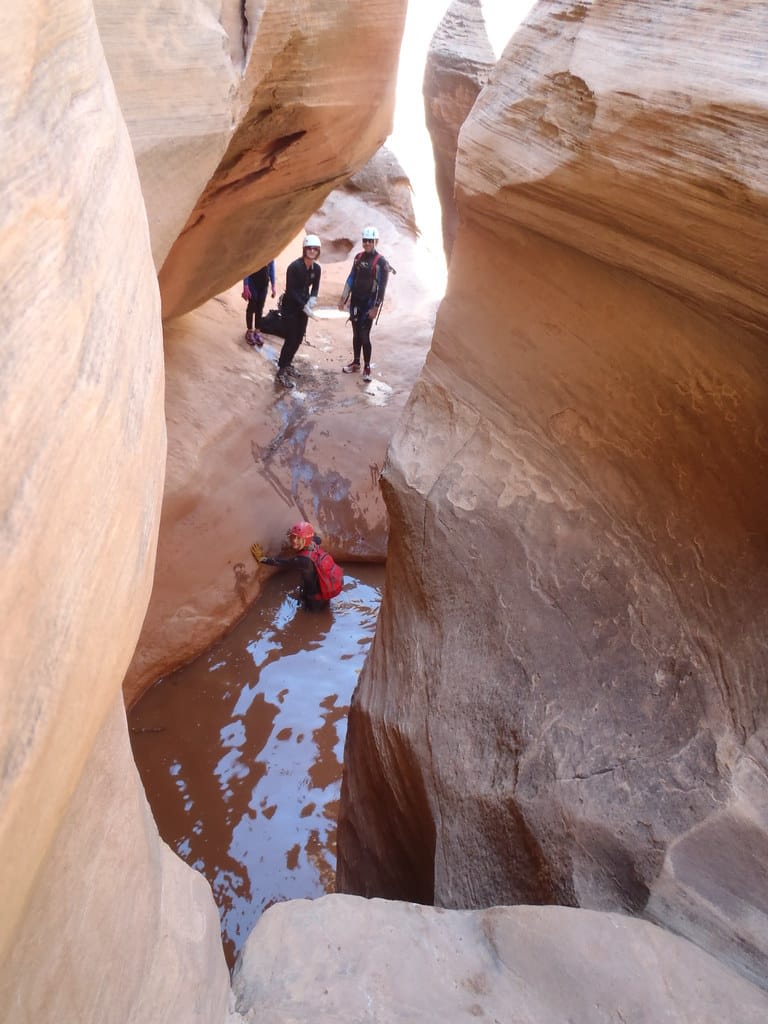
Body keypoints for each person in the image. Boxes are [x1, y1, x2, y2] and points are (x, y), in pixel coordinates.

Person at [338, 225, 390, 383]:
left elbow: (382, 287)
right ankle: (356, 363)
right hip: (356, 302)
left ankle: (367, 367)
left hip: (369, 304)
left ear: (376, 242)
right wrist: (343, 297)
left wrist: (376, 307)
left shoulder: (381, 262)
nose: (367, 243)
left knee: (364, 336)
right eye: (365, 240)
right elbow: (351, 277)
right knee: (356, 334)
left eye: (370, 241)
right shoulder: (358, 257)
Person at [275, 235, 321, 388]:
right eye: (310, 248)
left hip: (303, 307)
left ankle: (288, 364)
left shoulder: (316, 269)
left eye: (315, 249)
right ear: (304, 249)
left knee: (299, 338)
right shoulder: (294, 267)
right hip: (291, 308)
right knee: (290, 339)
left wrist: (312, 299)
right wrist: (304, 306)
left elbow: (315, 287)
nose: (312, 251)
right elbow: (291, 291)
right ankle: (281, 370)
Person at [253, 521, 328, 610]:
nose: (294, 541)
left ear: (306, 540)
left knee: (309, 614)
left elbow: (282, 562)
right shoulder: (314, 542)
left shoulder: (303, 560)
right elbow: (318, 539)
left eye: (299, 538)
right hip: (323, 591)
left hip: (315, 599)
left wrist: (262, 559)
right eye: (293, 537)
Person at [242, 261, 276, 346]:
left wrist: (273, 285)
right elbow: (248, 266)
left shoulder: (271, 253)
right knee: (252, 305)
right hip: (253, 282)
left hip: (264, 285)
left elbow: (272, 269)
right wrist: (246, 285)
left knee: (260, 307)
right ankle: (249, 330)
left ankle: (257, 330)